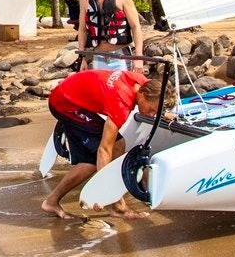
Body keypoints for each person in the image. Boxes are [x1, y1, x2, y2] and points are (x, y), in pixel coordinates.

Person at [41, 66, 165, 220]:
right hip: (65, 103)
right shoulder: (121, 103)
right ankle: (117, 206)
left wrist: (164, 114)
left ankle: (52, 202)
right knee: (96, 159)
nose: (152, 115)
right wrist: (103, 192)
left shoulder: (142, 83)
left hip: (69, 94)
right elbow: (104, 149)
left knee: (114, 147)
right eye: (152, 110)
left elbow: (156, 99)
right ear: (144, 95)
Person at [77, 0, 144, 72]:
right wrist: (82, 58)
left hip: (120, 55)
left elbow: (136, 26)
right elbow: (82, 30)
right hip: (98, 55)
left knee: (122, 83)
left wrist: (139, 57)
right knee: (100, 84)